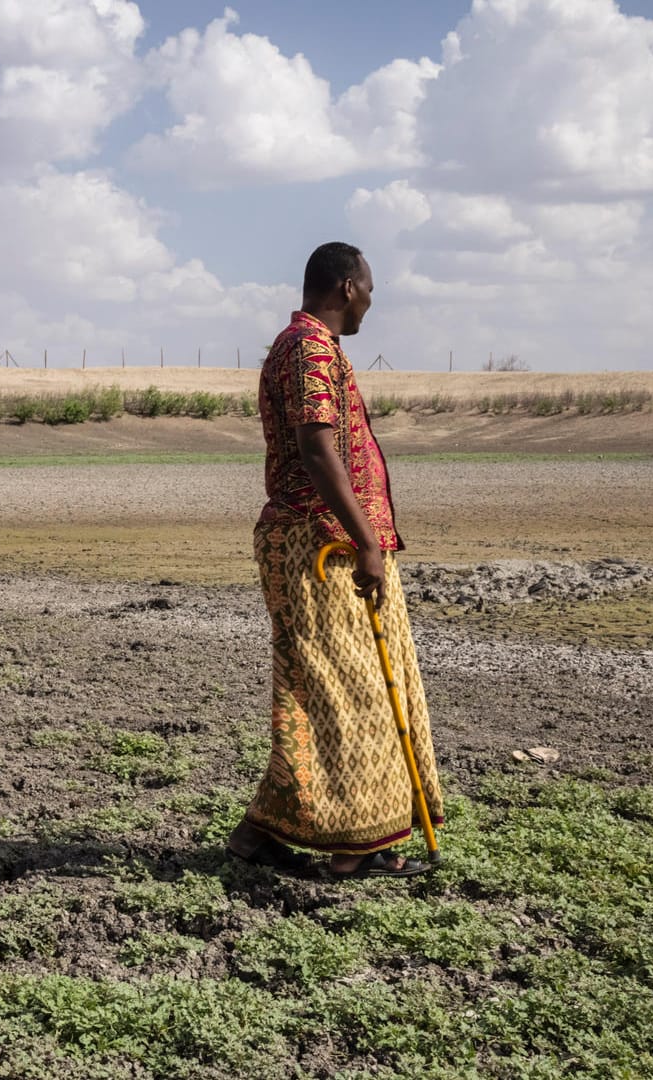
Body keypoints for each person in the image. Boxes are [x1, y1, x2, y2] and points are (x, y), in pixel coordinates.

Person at [225, 241, 446, 878]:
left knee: (357, 687)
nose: (372, 304)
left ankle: (275, 835)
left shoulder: (311, 346)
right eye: (370, 290)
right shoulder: (308, 348)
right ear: (348, 286)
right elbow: (318, 450)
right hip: (318, 545)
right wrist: (367, 542)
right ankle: (353, 846)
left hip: (331, 540)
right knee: (341, 690)